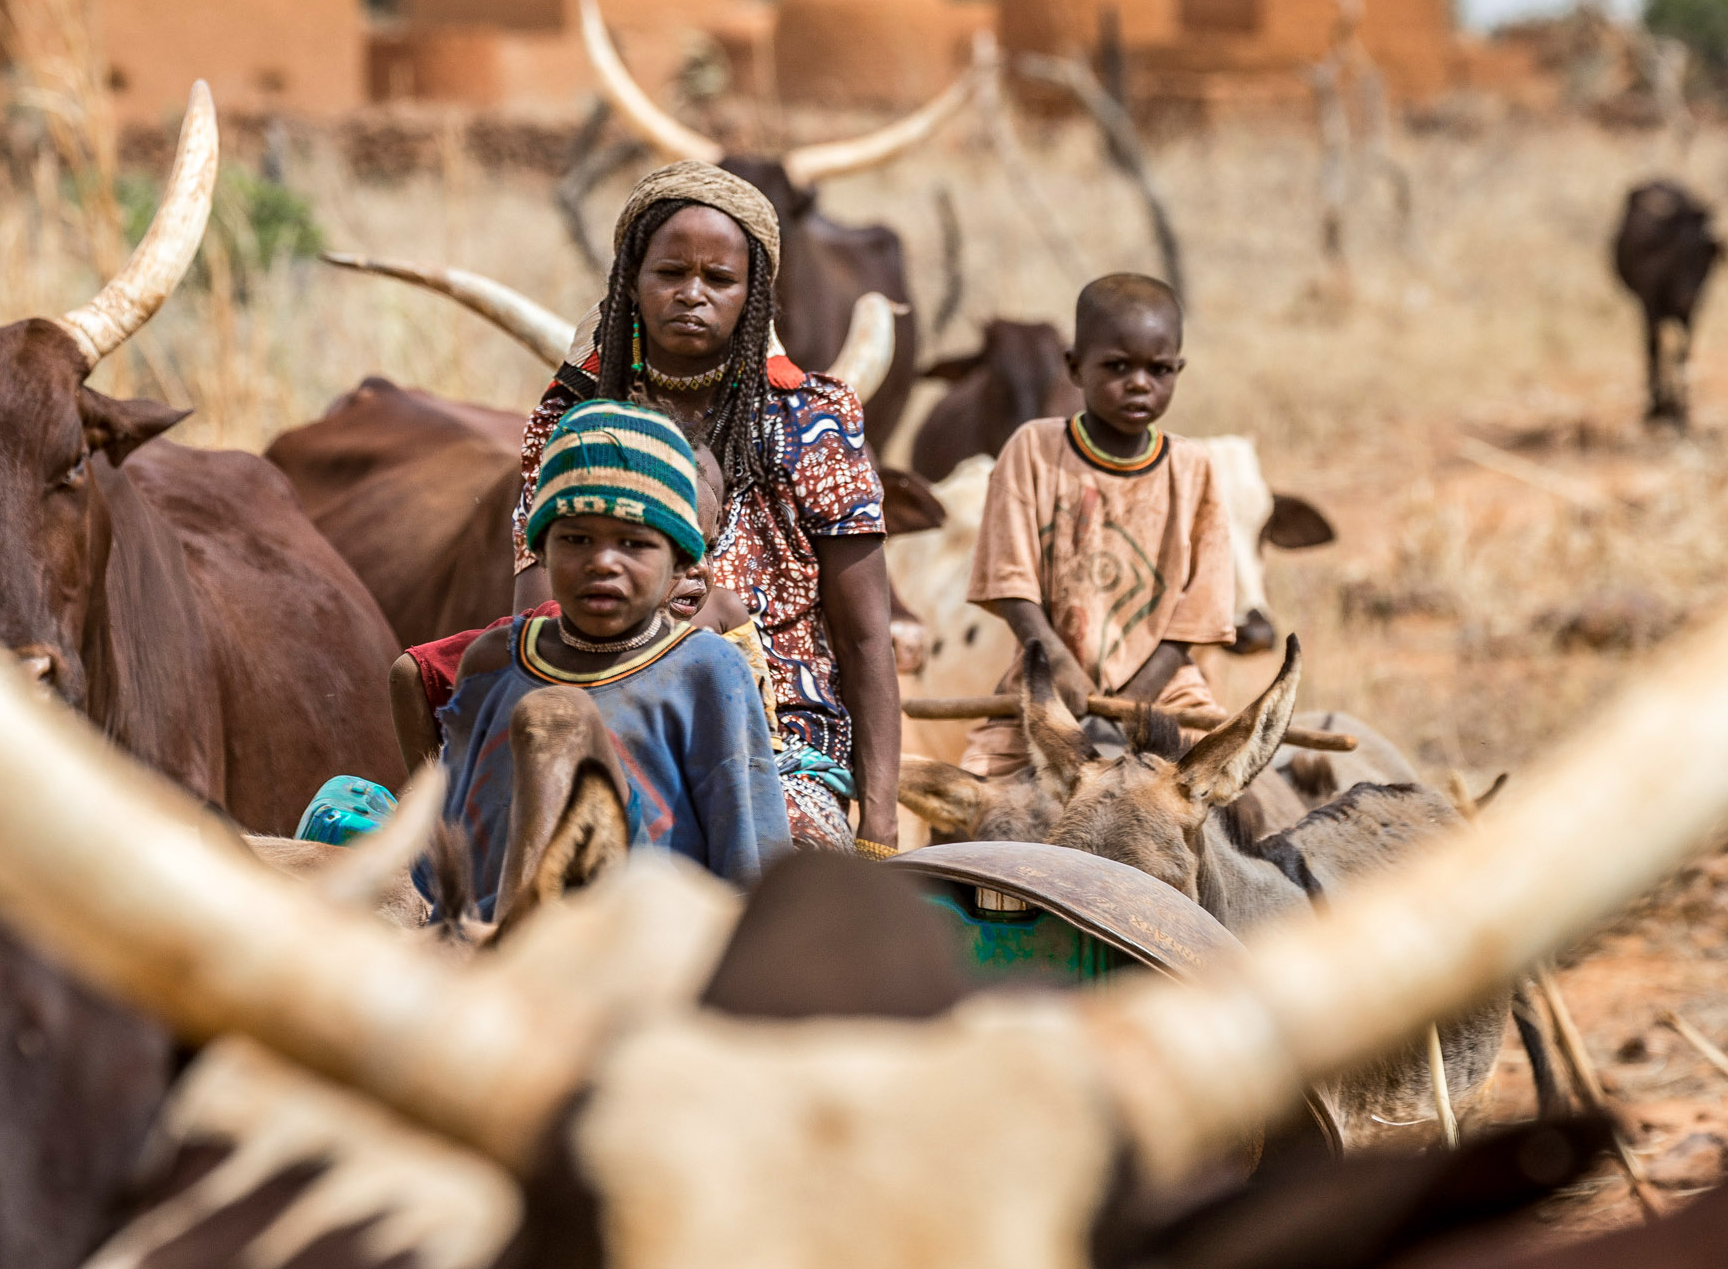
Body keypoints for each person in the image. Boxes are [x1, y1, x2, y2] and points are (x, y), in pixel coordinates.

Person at [513, 162, 899, 855]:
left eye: (719, 279)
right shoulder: (575, 418)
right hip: (602, 717)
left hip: (785, 744)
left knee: (789, 877)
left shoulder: (814, 420)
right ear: (632, 280)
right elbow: (535, 604)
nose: (692, 295)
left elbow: (867, 635)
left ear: (755, 296)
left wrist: (881, 822)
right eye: (670, 273)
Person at [429, 401, 791, 919]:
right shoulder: (492, 662)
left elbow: (748, 853)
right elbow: (457, 826)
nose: (602, 561)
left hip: (639, 944)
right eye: (576, 538)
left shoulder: (708, 671)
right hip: (478, 941)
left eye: (634, 543)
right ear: (541, 550)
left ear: (682, 564)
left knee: (558, 718)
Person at [962, 273, 1238, 779]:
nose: (1139, 383)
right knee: (981, 786)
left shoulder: (1194, 469)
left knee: (1226, 792)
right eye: (1117, 366)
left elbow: (1201, 608)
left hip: (1168, 686)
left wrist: (1142, 696)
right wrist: (1058, 664)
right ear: (1074, 367)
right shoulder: (1032, 450)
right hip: (1045, 675)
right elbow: (1010, 580)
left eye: (1159, 370)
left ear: (1179, 369)